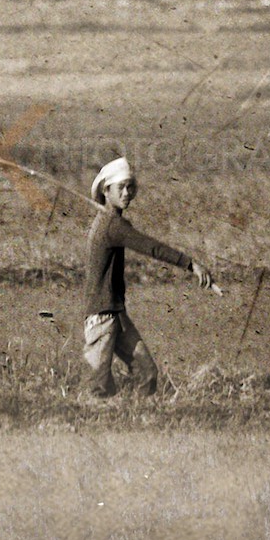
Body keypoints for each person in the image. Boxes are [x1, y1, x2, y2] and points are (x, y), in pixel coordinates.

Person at [82, 157, 213, 396]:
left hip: (115, 314)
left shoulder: (110, 222)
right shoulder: (113, 226)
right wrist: (190, 264)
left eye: (130, 187)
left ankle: (138, 421)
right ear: (106, 190)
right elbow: (149, 246)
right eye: (120, 187)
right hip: (101, 317)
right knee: (98, 389)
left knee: (147, 373)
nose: (126, 193)